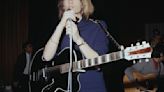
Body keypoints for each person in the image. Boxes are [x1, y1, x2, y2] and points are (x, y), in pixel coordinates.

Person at [42, 0, 109, 92]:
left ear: (83, 3)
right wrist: (61, 24)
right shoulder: (60, 30)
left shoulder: (97, 26)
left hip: (91, 87)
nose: (70, 1)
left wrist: (78, 39)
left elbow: (99, 63)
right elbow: (47, 57)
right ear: (62, 5)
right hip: (63, 89)